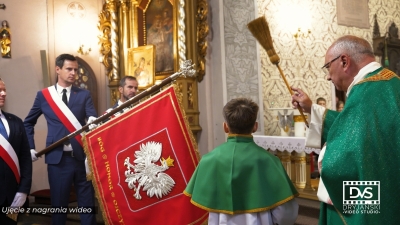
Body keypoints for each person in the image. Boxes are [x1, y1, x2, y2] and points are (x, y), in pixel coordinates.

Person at [291, 35, 400, 224]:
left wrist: (328, 155)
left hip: (373, 206)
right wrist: (312, 108)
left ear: (343, 61)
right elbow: (358, 130)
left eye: (327, 67)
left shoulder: (364, 94)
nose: (327, 76)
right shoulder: (392, 84)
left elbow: (340, 162)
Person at [184, 98, 299, 225]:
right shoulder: (270, 161)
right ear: (255, 127)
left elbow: (198, 207)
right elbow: (285, 214)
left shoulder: (208, 160)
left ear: (225, 127)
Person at [24, 54, 97, 225]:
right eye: (69, 69)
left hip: (81, 158)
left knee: (87, 206)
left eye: (75, 70)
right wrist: (30, 147)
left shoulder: (84, 94)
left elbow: (92, 116)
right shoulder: (44, 96)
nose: (73, 73)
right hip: (58, 160)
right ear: (58, 69)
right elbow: (28, 123)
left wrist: (93, 120)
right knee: (59, 207)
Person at [0, 78, 32, 225]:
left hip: (13, 198)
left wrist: (23, 190)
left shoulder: (16, 122)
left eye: (4, 89)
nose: (3, 93)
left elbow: (25, 158)